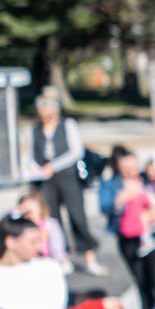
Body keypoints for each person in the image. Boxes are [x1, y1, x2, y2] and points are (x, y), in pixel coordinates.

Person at [27, 90, 105, 276]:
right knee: (52, 218)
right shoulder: (34, 130)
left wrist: (53, 166)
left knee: (77, 216)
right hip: (45, 179)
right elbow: (30, 154)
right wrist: (35, 168)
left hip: (67, 175)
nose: (43, 112)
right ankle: (63, 257)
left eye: (47, 108)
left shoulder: (67, 125)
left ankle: (89, 256)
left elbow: (76, 151)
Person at [98, 147, 155, 309]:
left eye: (133, 166)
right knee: (141, 281)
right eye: (125, 167)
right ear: (116, 167)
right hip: (129, 237)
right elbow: (104, 207)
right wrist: (121, 198)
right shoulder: (111, 184)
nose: (131, 171)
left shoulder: (147, 176)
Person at [14, 191, 68, 263]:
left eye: (31, 210)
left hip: (50, 262)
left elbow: (58, 251)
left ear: (40, 208)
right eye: (25, 212)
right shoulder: (21, 225)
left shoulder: (50, 225)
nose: (28, 215)